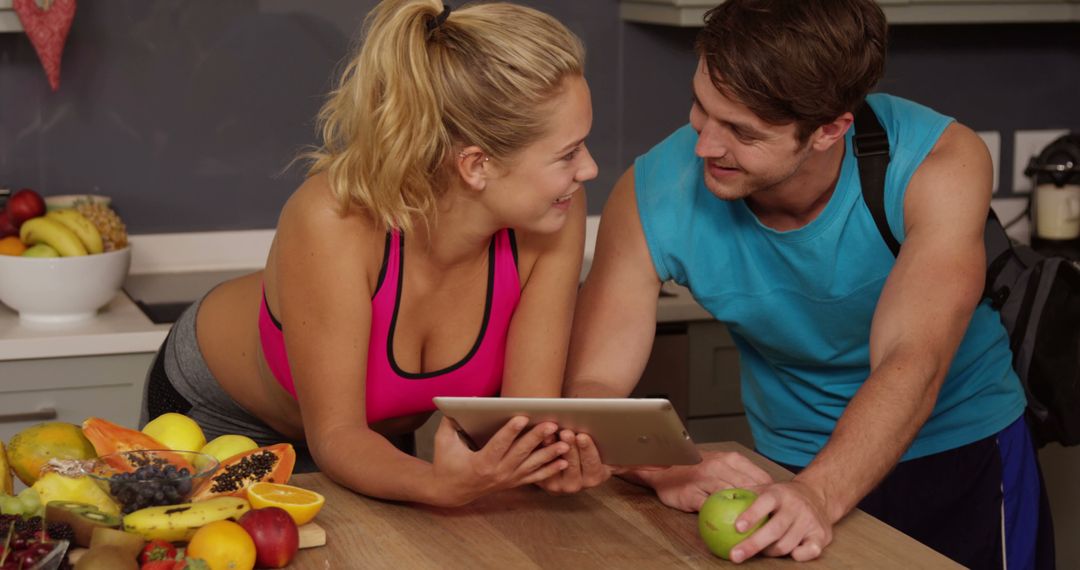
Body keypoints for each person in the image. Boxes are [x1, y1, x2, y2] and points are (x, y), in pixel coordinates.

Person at [560, 1, 1055, 567]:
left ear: (829, 130)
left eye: (742, 131)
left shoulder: (936, 163)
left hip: (962, 459)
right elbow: (593, 385)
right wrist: (661, 466)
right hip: (782, 467)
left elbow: (911, 356)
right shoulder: (654, 191)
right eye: (702, 107)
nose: (704, 145)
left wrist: (821, 492)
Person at [139, 0, 599, 507]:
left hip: (366, 439)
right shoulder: (333, 220)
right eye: (568, 153)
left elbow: (520, 421)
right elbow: (335, 435)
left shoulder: (555, 210)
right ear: (475, 165)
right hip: (220, 414)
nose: (589, 170)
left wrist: (547, 461)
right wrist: (436, 485)